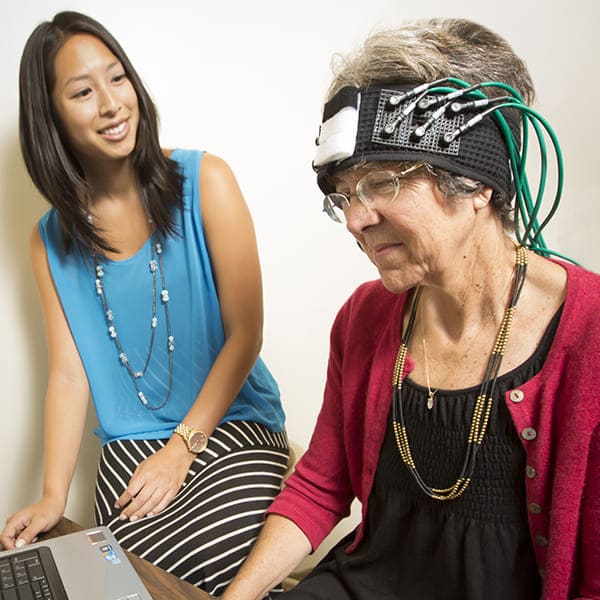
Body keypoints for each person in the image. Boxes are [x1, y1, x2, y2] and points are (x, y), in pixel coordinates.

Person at [222, 18, 600, 600]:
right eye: (344, 195)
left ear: (478, 184)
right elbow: (322, 485)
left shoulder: (591, 337)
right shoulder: (364, 319)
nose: (353, 219)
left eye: (382, 182)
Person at [0, 10, 288, 597]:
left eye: (117, 78)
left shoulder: (206, 180)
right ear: (50, 116)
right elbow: (67, 373)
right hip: (129, 454)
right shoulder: (49, 239)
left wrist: (182, 448)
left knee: (221, 558)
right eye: (82, 91)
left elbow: (246, 334)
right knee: (122, 583)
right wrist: (53, 495)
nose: (110, 104)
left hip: (230, 430)